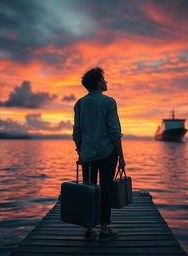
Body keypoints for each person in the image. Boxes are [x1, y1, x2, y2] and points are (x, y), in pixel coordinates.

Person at [72, 67, 126, 242]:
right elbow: (114, 132)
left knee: (89, 190)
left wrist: (80, 152)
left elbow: (77, 132)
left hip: (87, 153)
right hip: (107, 152)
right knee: (105, 190)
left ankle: (88, 228)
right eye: (103, 79)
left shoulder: (80, 103)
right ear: (96, 82)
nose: (106, 82)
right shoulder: (109, 102)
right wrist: (122, 157)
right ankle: (103, 229)